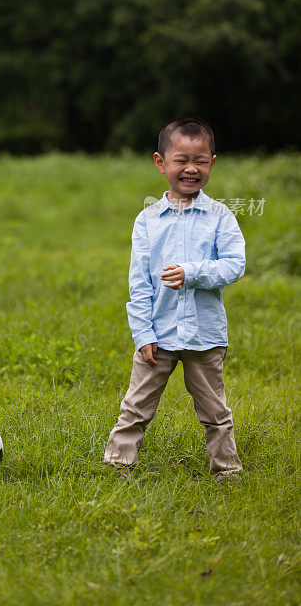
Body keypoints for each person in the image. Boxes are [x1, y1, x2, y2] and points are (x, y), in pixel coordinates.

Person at [104, 116, 245, 484]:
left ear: (212, 163)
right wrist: (142, 333)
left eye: (200, 160)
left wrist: (193, 272)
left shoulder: (221, 217)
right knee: (135, 406)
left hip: (204, 333)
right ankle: (118, 465)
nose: (191, 168)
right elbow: (139, 283)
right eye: (181, 160)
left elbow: (234, 264)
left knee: (215, 410)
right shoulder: (147, 221)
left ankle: (226, 472)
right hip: (158, 333)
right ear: (161, 163)